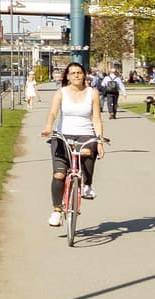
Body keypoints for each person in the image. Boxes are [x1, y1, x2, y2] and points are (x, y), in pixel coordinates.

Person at [41, 60, 106, 226]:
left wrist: (99, 140)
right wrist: (48, 127)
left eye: (79, 72)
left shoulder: (93, 93)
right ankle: (57, 211)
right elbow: (52, 113)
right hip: (63, 135)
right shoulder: (61, 92)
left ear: (84, 74)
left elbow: (97, 118)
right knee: (59, 174)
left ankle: (87, 185)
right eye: (73, 73)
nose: (76, 75)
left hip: (85, 134)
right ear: (68, 76)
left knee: (88, 152)